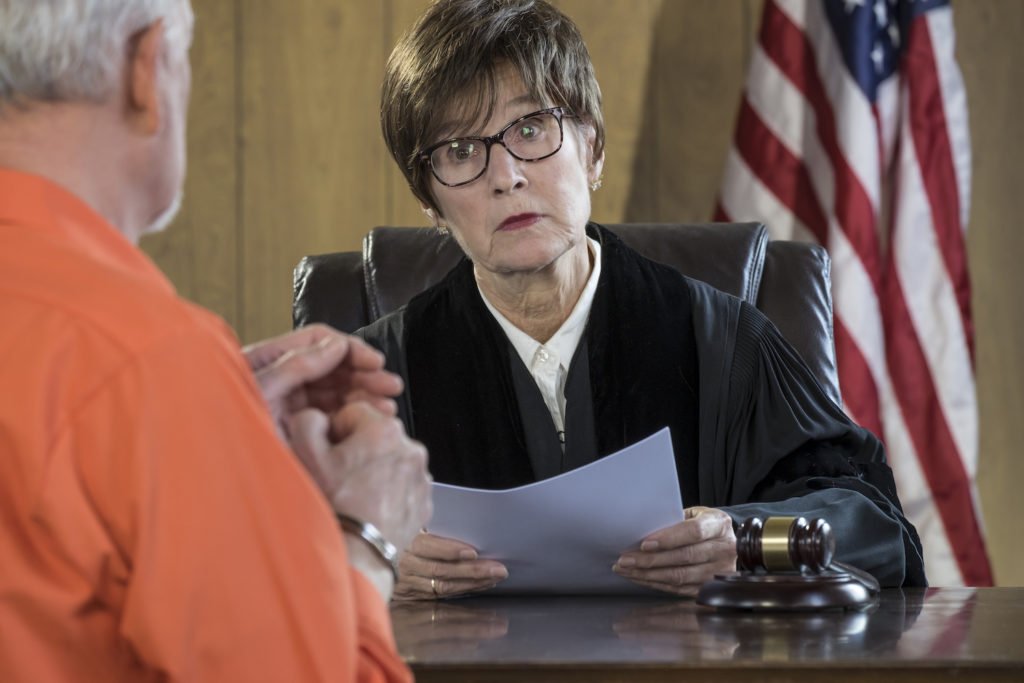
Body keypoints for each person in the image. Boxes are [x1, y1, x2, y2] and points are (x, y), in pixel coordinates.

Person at [360, 0, 926, 600]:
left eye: (530, 130)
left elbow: (877, 529)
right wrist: (374, 553)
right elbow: (275, 556)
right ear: (431, 203)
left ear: (593, 149)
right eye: (461, 151)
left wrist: (744, 540)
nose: (506, 176)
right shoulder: (375, 377)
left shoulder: (722, 342)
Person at [0, 1, 431, 681]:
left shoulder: (136, 371)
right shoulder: (146, 360)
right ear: (149, 66)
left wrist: (209, 412)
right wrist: (365, 539)